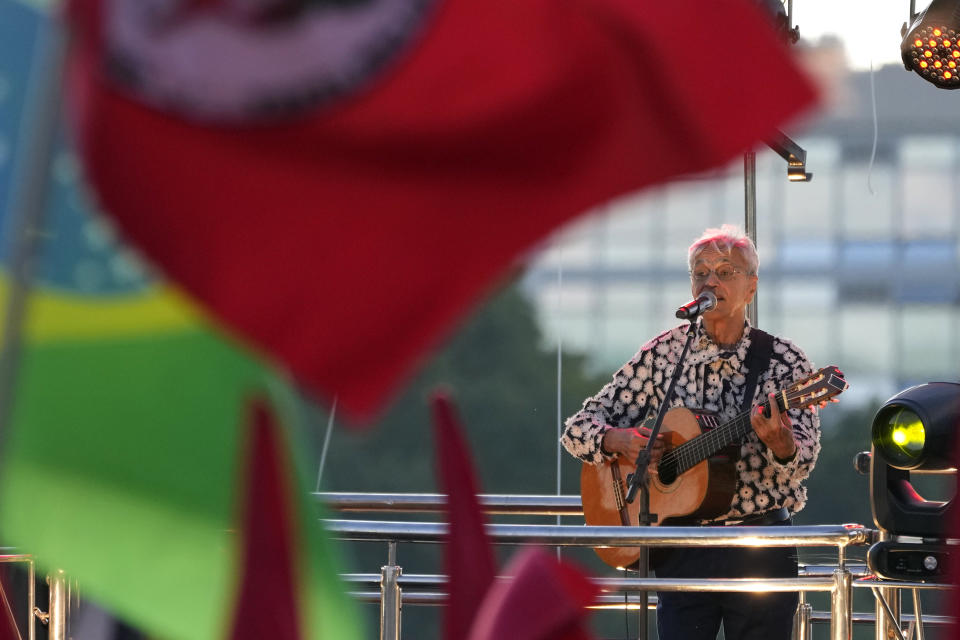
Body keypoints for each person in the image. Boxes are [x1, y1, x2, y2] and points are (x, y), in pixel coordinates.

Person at [561, 224, 822, 640]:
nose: (710, 281)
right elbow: (578, 428)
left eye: (725, 271)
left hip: (759, 543)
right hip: (682, 546)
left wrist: (783, 445)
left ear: (751, 289)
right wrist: (619, 441)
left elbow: (803, 461)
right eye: (700, 273)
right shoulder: (665, 353)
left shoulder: (782, 361)